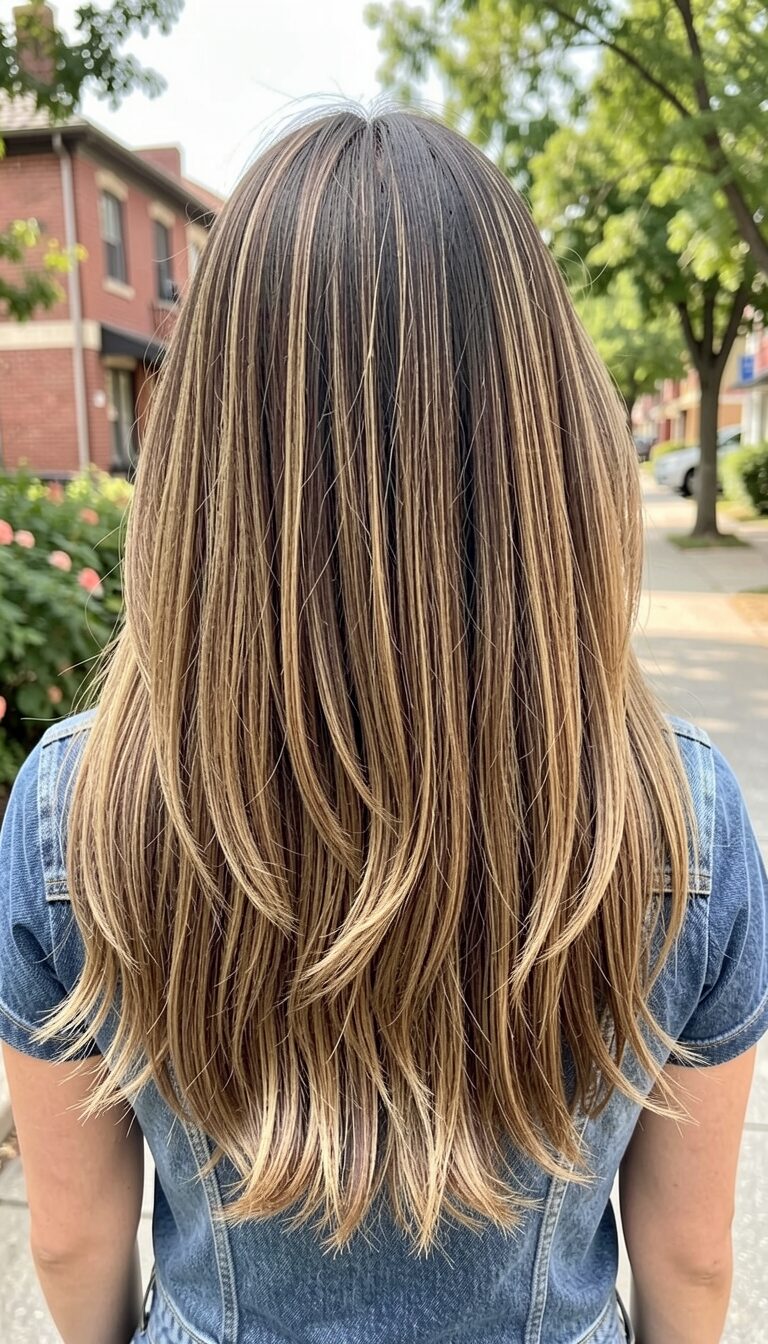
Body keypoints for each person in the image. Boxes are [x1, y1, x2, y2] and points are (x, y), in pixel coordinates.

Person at [0, 109, 766, 1344]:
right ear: (548, 436)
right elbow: (689, 1261)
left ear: (203, 451)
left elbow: (74, 1238)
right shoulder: (680, 818)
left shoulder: (74, 805)